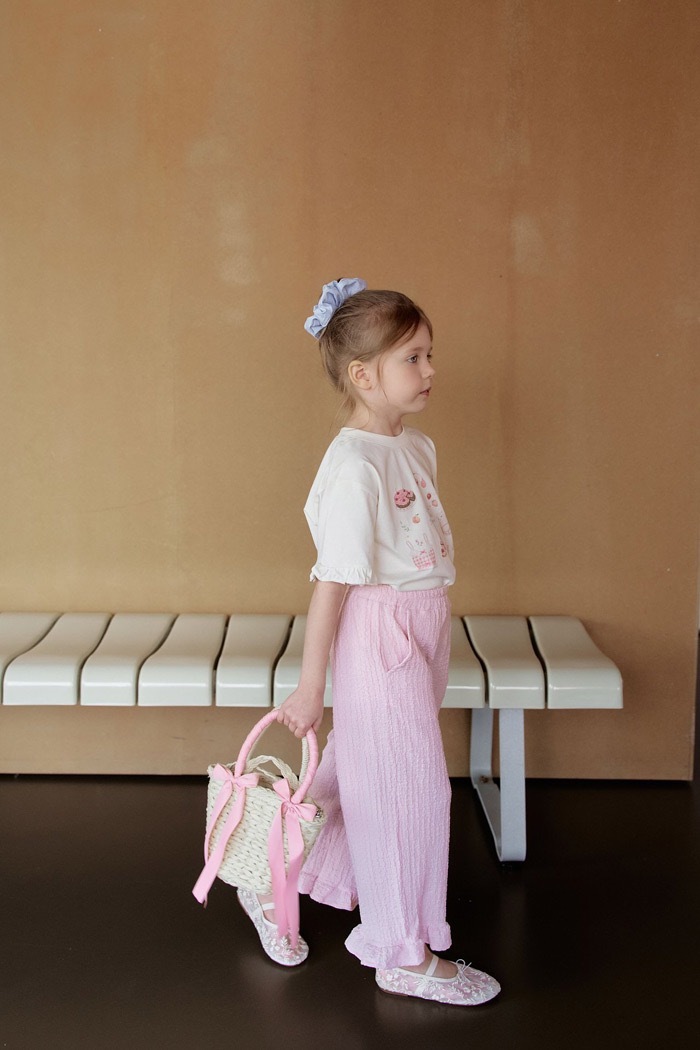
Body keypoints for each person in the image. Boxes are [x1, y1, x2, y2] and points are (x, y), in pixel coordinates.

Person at [237, 279, 500, 1006]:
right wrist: (310, 685)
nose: (431, 370)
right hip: (380, 633)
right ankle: (402, 951)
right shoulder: (353, 466)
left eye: (429, 354)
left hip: (423, 623)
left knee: (364, 770)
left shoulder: (415, 446)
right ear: (363, 375)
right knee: (409, 792)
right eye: (413, 358)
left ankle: (270, 873)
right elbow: (333, 583)